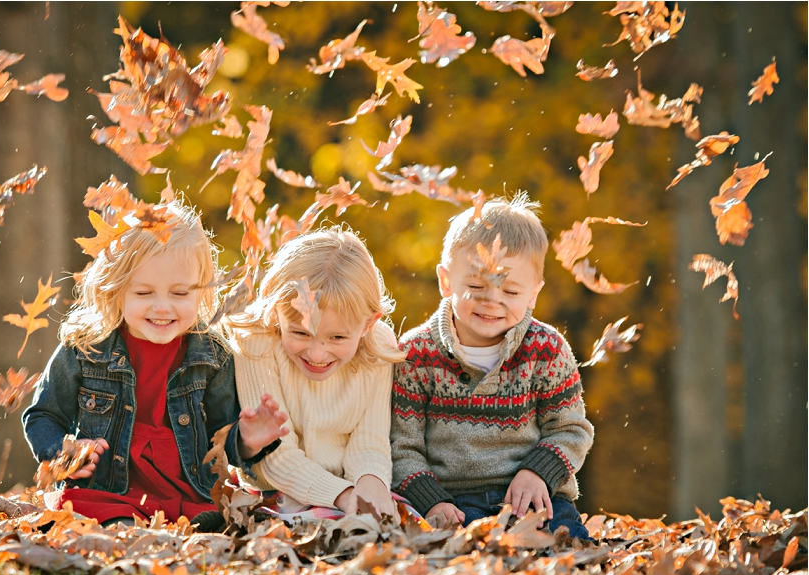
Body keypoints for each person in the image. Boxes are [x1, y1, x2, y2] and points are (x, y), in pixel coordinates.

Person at [22, 199, 288, 531]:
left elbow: (221, 439)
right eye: (145, 293)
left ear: (201, 292)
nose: (162, 307)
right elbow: (43, 415)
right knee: (102, 519)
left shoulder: (212, 354)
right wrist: (63, 453)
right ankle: (124, 527)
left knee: (216, 521)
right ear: (117, 290)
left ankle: (191, 525)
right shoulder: (86, 346)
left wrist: (248, 439)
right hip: (108, 490)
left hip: (187, 489)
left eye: (179, 294)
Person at [390, 193, 594, 539]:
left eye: (511, 292)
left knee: (564, 541)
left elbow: (571, 429)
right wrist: (431, 501)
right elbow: (402, 446)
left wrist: (539, 472)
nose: (492, 301)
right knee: (470, 549)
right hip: (455, 501)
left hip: (534, 496)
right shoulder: (416, 354)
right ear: (445, 281)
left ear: (533, 294)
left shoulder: (546, 350)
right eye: (475, 286)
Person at [227, 227, 406, 519]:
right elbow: (275, 458)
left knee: (395, 525)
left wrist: (371, 484)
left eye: (337, 338)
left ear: (368, 324)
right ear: (276, 312)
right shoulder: (257, 345)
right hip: (276, 493)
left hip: (348, 486)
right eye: (300, 332)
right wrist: (344, 496)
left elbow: (369, 440)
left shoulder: (378, 346)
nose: (317, 354)